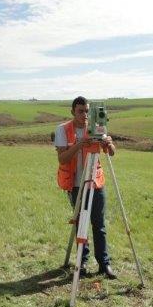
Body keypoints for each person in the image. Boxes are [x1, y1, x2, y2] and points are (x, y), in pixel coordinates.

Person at [54, 96, 117, 279]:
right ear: (72, 111)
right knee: (81, 224)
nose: (84, 114)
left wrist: (108, 143)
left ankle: (104, 264)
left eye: (87, 111)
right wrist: (79, 144)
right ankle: (82, 262)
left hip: (95, 183)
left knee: (99, 224)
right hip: (76, 184)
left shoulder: (97, 127)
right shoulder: (63, 130)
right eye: (80, 111)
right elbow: (62, 158)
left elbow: (112, 153)